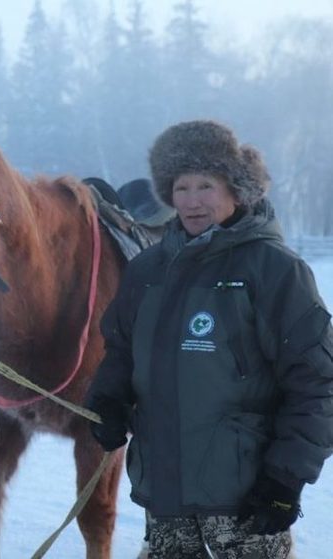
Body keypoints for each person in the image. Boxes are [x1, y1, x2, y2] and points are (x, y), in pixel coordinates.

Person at [85, 119, 333, 558]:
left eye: (206, 185)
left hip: (246, 502)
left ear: (236, 191)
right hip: (165, 497)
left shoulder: (275, 270)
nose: (193, 201)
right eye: (181, 187)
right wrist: (108, 401)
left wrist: (285, 480)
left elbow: (318, 384)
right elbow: (121, 351)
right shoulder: (147, 271)